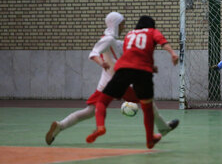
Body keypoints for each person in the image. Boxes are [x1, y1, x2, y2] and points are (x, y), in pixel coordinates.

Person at [45, 12, 179, 145]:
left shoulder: (116, 40)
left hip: (108, 82)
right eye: (122, 24)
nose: (123, 27)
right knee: (147, 103)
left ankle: (60, 125)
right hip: (118, 80)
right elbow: (94, 53)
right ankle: (162, 128)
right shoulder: (108, 39)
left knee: (91, 111)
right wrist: (100, 62)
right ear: (115, 24)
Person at [86, 15, 179, 149]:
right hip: (143, 72)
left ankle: (100, 127)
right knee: (147, 108)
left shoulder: (130, 34)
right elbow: (162, 42)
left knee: (102, 101)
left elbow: (130, 54)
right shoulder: (152, 32)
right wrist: (172, 53)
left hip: (123, 69)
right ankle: (150, 140)